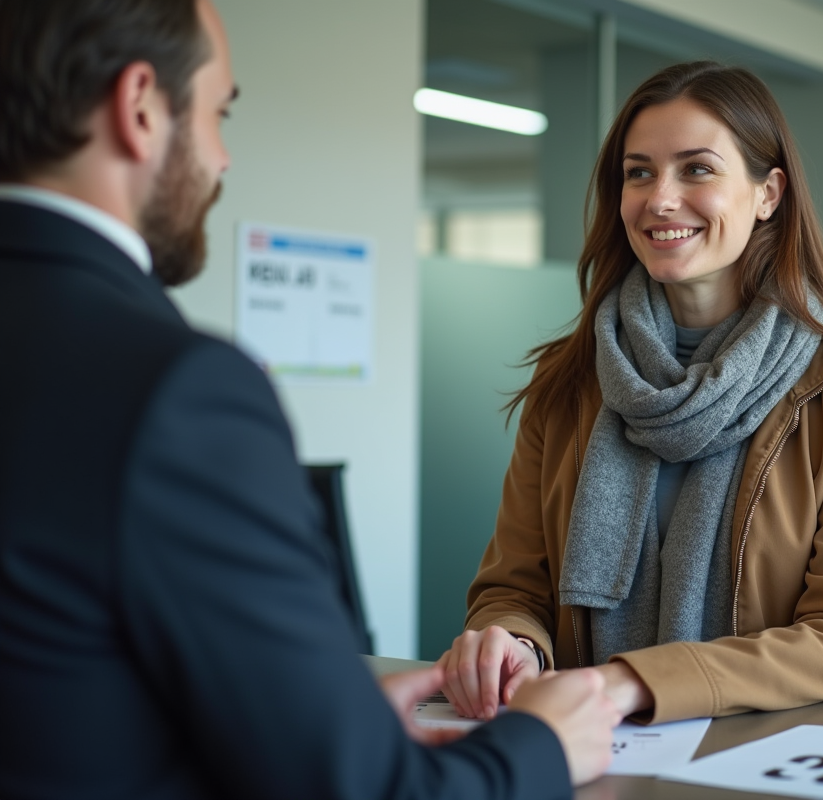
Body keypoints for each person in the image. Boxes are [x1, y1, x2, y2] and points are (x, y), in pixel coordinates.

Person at [0, 1, 618, 798]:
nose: (222, 159)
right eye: (219, 115)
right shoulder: (180, 391)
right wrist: (542, 744)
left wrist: (322, 716)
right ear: (141, 105)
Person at [439, 61, 823, 725]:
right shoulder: (571, 381)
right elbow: (514, 590)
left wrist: (633, 684)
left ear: (768, 193)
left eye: (697, 169)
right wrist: (513, 644)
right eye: (639, 172)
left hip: (764, 761)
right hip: (585, 747)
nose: (660, 198)